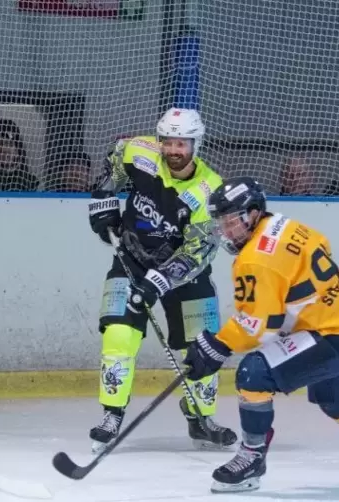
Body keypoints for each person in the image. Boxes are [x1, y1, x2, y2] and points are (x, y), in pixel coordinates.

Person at [182, 176, 339, 493]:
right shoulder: (285, 224)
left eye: (232, 222)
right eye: (222, 222)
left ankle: (251, 460)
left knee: (253, 374)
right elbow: (321, 246)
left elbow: (258, 324)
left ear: (254, 213)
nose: (226, 231)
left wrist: (216, 346)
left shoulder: (255, 260)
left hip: (330, 337)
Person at [87, 108, 237, 454]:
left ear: (195, 144)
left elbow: (198, 252)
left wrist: (158, 282)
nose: (173, 149)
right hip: (132, 260)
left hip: (187, 274)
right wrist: (104, 201)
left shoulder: (210, 191)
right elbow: (114, 166)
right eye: (167, 141)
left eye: (181, 143)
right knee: (118, 333)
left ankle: (201, 418)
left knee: (201, 347)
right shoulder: (137, 150)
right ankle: (112, 414)